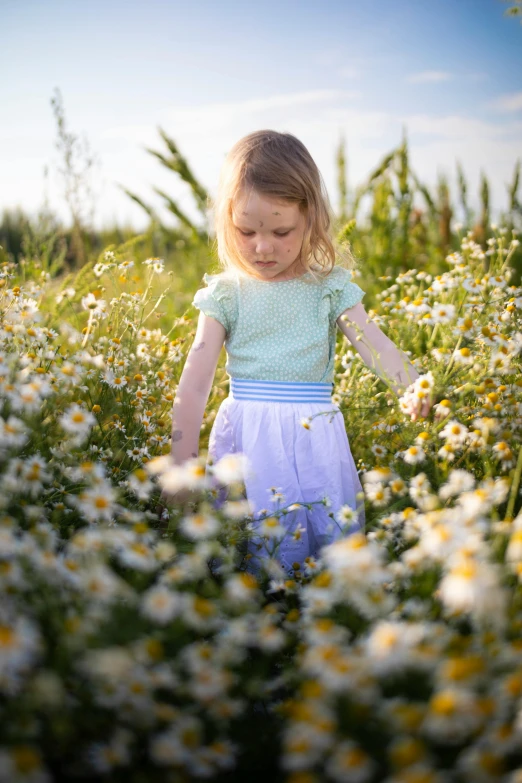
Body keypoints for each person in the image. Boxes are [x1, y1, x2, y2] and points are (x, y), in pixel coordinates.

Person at [164, 130, 432, 576]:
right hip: (248, 441)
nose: (262, 247)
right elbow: (194, 383)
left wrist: (414, 387)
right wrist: (180, 465)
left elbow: (375, 345)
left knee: (323, 550)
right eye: (245, 231)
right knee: (250, 550)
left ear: (310, 218)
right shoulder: (226, 294)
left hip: (315, 440)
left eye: (281, 230)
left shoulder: (327, 287)